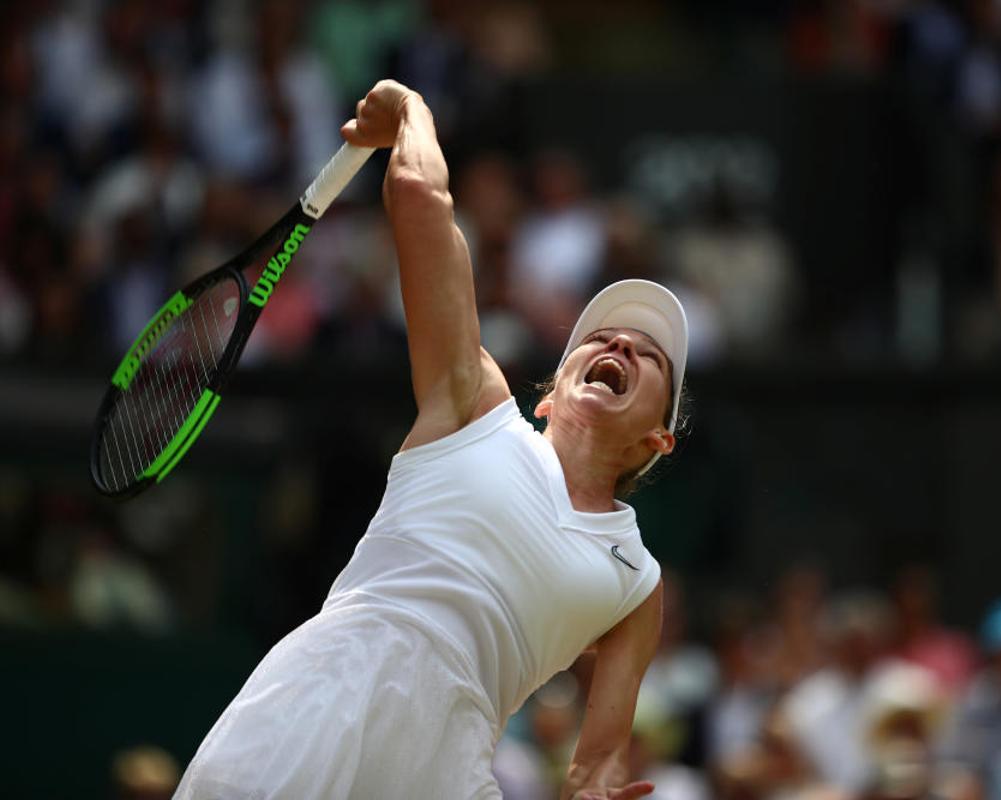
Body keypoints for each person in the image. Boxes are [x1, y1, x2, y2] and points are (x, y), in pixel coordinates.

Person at [175, 80, 689, 799]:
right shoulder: (474, 407)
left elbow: (598, 763)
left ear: (661, 437)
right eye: (600, 338)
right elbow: (419, 196)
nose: (621, 345)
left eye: (650, 354)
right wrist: (410, 111)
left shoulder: (637, 583)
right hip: (327, 695)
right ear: (547, 395)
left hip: (449, 766)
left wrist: (596, 791)